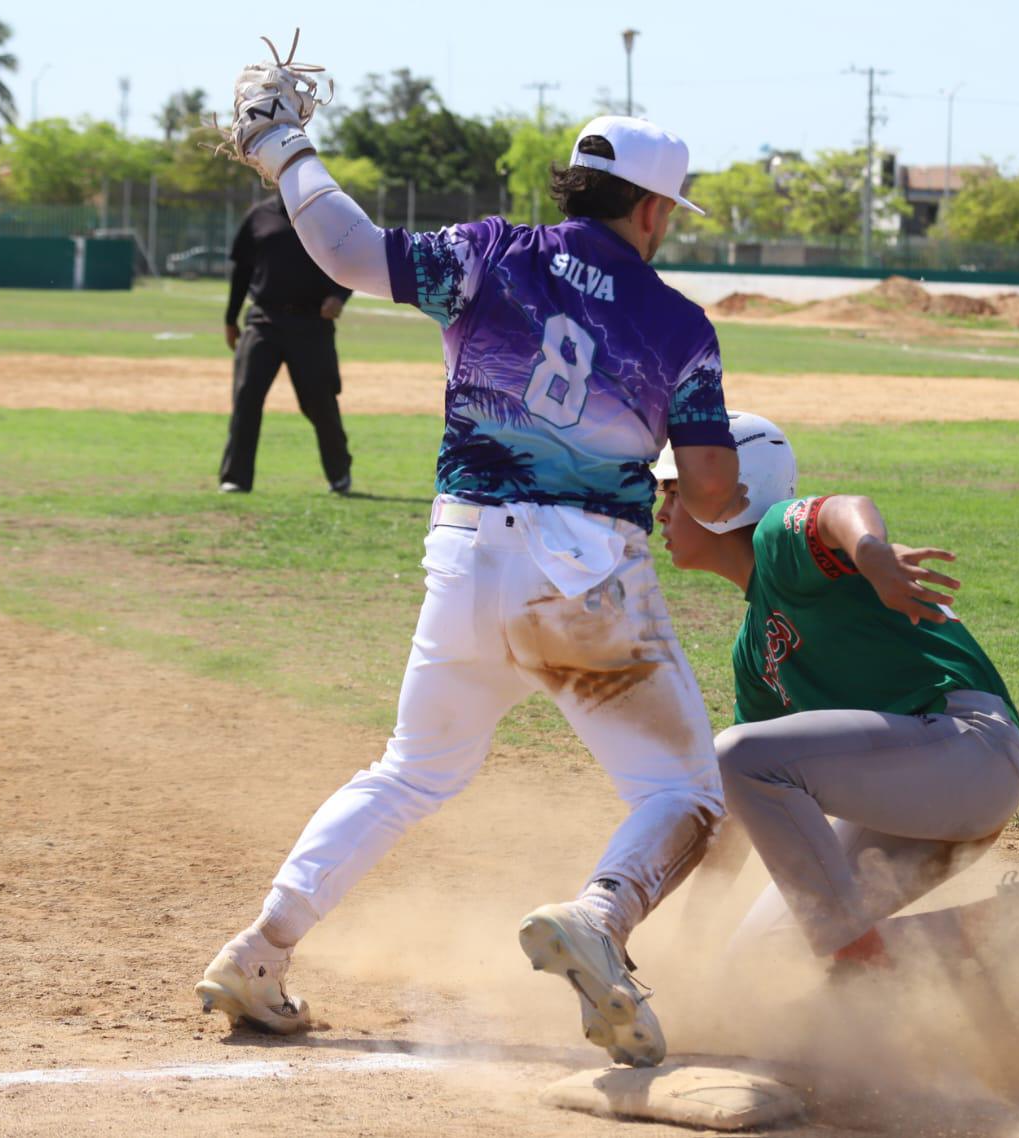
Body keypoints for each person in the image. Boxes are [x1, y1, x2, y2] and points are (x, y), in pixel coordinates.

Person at [194, 35, 745, 1069]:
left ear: (575, 189)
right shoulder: (675, 323)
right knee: (681, 794)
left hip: (464, 555)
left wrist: (287, 154)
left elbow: (352, 253)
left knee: (410, 771)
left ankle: (259, 951)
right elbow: (710, 497)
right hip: (584, 579)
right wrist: (722, 484)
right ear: (654, 210)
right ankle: (601, 917)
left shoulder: (494, 251)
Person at [653, 413, 1019, 973]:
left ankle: (860, 959)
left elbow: (840, 510)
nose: (661, 510)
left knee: (736, 753)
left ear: (735, 490)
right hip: (914, 802)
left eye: (674, 490)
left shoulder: (776, 545)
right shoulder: (753, 649)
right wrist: (693, 945)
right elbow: (740, 810)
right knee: (765, 960)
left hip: (970, 750)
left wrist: (870, 551)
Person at [219, 192, 355, 494]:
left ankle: (339, 472)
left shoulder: (329, 214)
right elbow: (241, 271)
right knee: (246, 396)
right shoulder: (259, 216)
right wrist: (230, 319)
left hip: (312, 324)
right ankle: (235, 478)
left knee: (319, 401)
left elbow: (352, 260)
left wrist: (339, 296)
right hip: (264, 319)